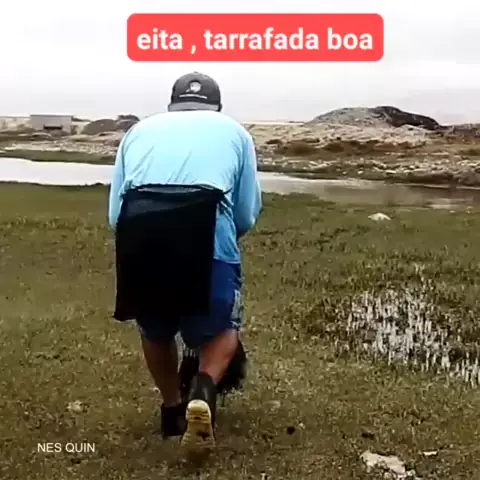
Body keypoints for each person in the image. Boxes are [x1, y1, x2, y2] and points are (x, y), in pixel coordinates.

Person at [107, 72, 262, 457]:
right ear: (216, 106)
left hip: (141, 233)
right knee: (224, 327)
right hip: (208, 230)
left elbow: (115, 213)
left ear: (172, 104)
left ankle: (172, 409)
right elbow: (246, 212)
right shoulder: (235, 133)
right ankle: (203, 391)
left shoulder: (137, 131)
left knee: (154, 328)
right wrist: (226, 242)